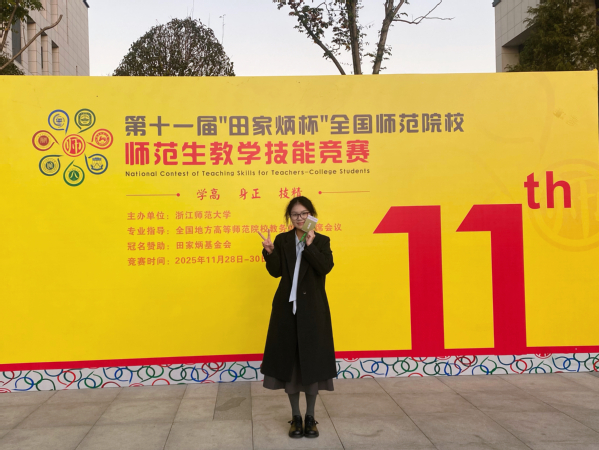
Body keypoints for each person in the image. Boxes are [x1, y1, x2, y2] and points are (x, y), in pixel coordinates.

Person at [257, 196, 336, 439]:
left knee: (311, 364)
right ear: (289, 217)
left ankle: (310, 417)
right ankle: (296, 417)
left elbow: (325, 268)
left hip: (313, 310)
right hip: (286, 310)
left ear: (311, 215)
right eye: (294, 214)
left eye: (303, 214)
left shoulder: (321, 240)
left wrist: (310, 246)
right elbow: (276, 272)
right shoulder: (282, 240)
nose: (299, 218)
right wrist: (270, 252)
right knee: (289, 364)